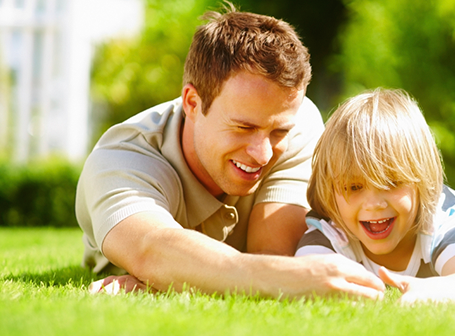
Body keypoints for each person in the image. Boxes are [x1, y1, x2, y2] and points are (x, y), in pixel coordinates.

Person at [76, 5, 385, 299]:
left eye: (278, 132)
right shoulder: (120, 159)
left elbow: (273, 255)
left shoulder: (298, 121)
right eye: (243, 128)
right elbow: (151, 249)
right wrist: (294, 277)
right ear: (193, 104)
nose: (262, 154)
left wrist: (177, 278)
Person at [295, 88, 455, 303]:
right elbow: (308, 279)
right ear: (330, 189)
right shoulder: (330, 231)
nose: (374, 204)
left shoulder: (450, 219)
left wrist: (432, 293)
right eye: (354, 187)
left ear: (422, 178)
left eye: (391, 183)